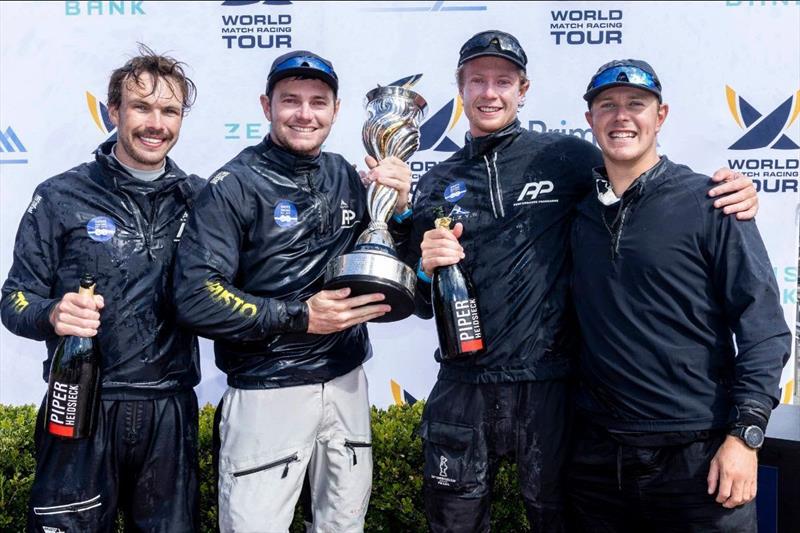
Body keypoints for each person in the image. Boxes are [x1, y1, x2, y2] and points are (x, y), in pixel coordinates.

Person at [401, 31, 759, 532]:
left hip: (553, 387)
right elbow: (418, 300)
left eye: (503, 81)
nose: (489, 92)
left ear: (523, 90)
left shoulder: (567, 158)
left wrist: (729, 194)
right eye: (477, 80)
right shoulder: (436, 181)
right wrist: (423, 268)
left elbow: (639, 180)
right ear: (460, 88)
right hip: (465, 385)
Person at [171, 50, 413, 532]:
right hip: (267, 393)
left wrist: (401, 210)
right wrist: (300, 316)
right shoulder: (232, 185)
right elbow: (195, 295)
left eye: (318, 102)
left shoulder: (348, 175)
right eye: (291, 101)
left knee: (344, 526)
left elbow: (389, 268)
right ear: (266, 106)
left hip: (346, 383)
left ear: (337, 110)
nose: (305, 114)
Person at [567, 59, 791, 531]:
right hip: (597, 465)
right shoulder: (575, 210)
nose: (621, 116)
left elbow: (764, 329)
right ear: (589, 120)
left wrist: (746, 437)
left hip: (699, 461)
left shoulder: (711, 202)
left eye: (636, 105)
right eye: (607, 105)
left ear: (661, 115)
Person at [0, 45, 202, 532]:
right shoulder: (60, 195)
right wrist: (52, 313)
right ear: (113, 111)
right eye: (142, 107)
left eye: (169, 110)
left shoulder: (202, 198)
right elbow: (14, 299)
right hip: (79, 401)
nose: (156, 123)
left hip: (169, 408)